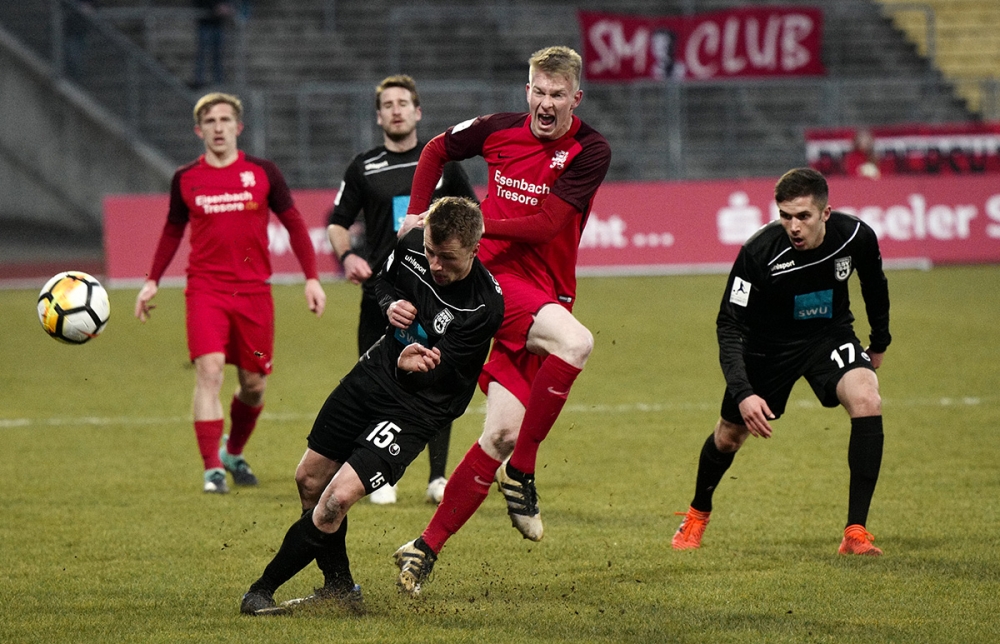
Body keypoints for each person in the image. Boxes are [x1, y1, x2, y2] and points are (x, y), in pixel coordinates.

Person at [393, 45, 611, 596]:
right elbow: (436, 149)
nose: (546, 103)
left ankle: (423, 547)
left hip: (547, 292)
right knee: (577, 344)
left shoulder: (589, 150)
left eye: (557, 94)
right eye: (539, 91)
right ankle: (524, 471)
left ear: (576, 98)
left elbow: (546, 225)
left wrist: (474, 222)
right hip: (495, 282)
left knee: (502, 433)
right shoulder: (496, 129)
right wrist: (417, 214)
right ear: (527, 91)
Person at [239, 197, 504, 615]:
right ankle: (340, 588)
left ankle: (260, 591)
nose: (435, 264)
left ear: (475, 248)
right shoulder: (414, 243)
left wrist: (408, 367)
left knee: (336, 498)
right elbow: (383, 282)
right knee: (309, 479)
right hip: (377, 371)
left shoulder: (483, 307)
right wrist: (389, 305)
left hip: (421, 405)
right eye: (431, 252)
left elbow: (440, 376)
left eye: (448, 257)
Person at [671, 167, 891, 556]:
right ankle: (697, 514)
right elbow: (728, 324)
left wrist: (879, 341)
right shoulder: (759, 252)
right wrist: (743, 393)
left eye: (803, 216)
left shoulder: (855, 235)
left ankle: (855, 532)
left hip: (828, 335)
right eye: (785, 216)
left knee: (867, 399)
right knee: (728, 436)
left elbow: (874, 284)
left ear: (825, 213)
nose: (793, 226)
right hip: (768, 347)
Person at [134, 92, 326, 494]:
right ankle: (212, 470)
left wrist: (312, 277)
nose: (218, 127)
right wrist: (152, 279)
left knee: (254, 385)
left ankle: (232, 452)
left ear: (238, 127)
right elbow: (172, 230)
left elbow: (293, 223)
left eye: (224, 120)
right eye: (210, 121)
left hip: (254, 293)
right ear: (198, 130)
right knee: (210, 372)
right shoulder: (186, 178)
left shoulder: (263, 172)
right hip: (205, 290)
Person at [327, 74, 478, 506]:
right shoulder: (363, 167)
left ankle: (437, 477)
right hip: (382, 291)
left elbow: (472, 216)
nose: (396, 110)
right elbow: (338, 223)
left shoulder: (443, 164)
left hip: (438, 291)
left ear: (417, 111)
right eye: (388, 104)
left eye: (403, 103)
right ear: (378, 116)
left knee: (439, 376)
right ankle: (380, 475)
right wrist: (347, 256)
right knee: (377, 380)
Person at [192, 0, 234, 88]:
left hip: (217, 24)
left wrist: (226, 7)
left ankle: (218, 81)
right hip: (205, 23)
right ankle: (200, 81)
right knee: (202, 54)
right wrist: (214, 8)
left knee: (218, 55)